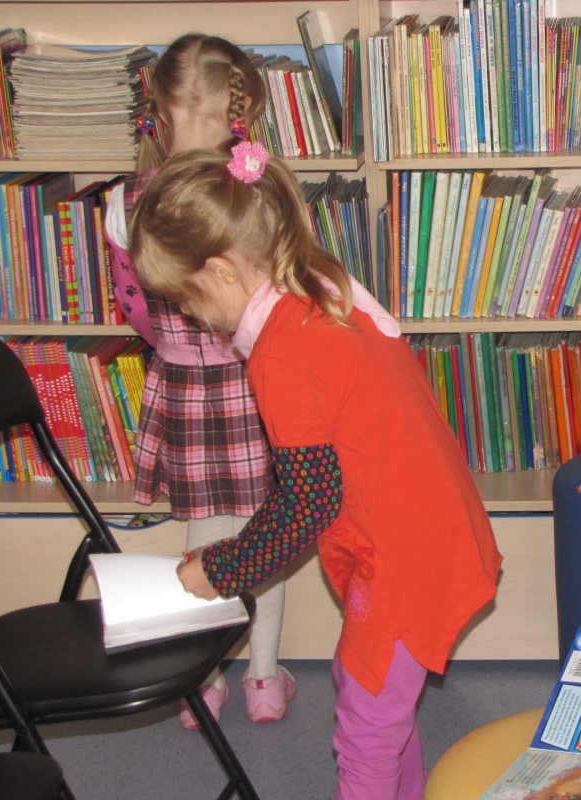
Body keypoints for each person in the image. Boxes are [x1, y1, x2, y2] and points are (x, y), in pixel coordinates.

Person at [128, 143, 503, 800]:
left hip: (404, 553)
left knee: (366, 723)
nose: (187, 315)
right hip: (430, 527)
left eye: (184, 297)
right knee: (378, 703)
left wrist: (222, 569)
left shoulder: (281, 352)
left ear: (220, 271)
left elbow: (308, 502)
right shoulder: (316, 281)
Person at [103, 34, 292, 728]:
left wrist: (176, 346)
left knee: (204, 541)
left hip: (181, 388)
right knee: (267, 534)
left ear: (158, 111)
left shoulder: (126, 199)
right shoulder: (254, 187)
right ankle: (264, 680)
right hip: (255, 383)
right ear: (235, 110)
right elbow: (282, 292)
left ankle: (204, 684)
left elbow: (131, 304)